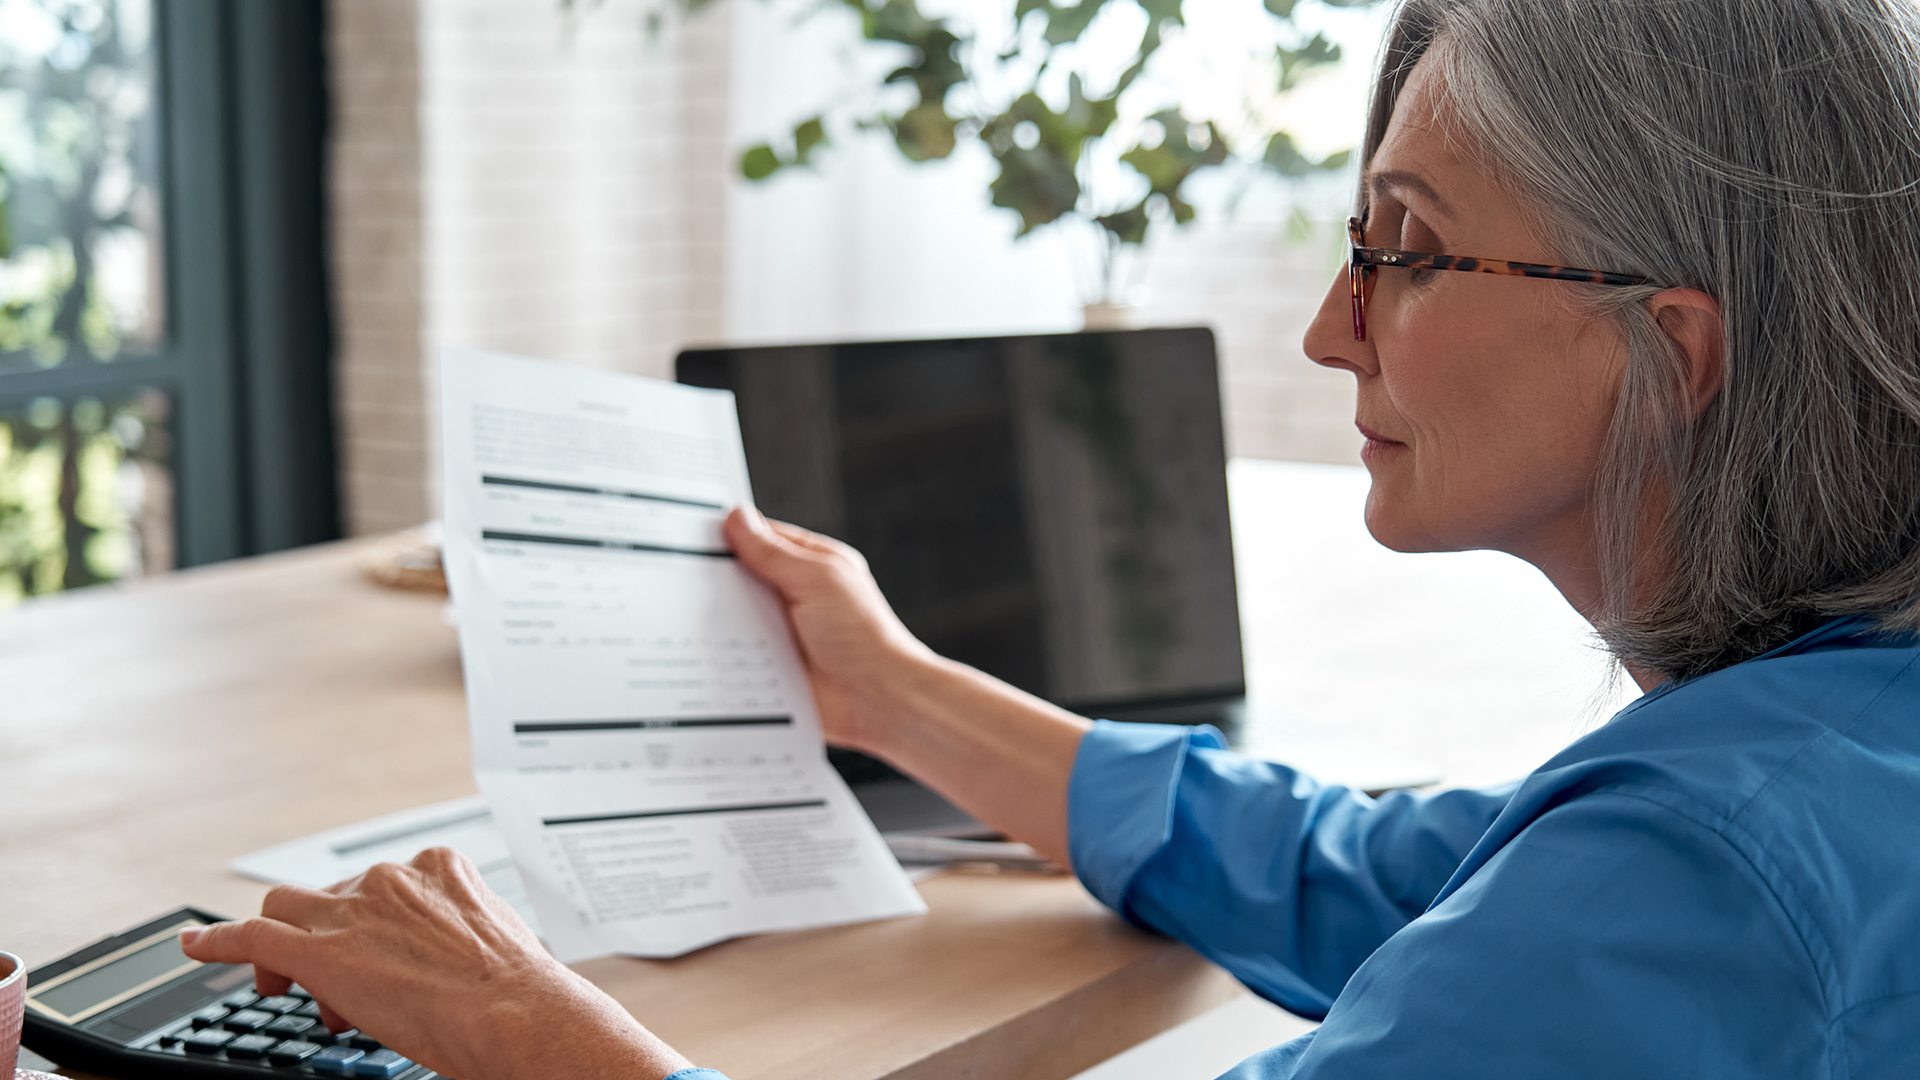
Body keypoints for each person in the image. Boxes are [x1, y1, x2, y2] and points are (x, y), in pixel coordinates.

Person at [181, 0, 1920, 1075]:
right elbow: (1387, 876)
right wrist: (902, 694)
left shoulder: (1712, 878)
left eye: (1407, 244)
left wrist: (527, 1037)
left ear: (1668, 354)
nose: (1332, 326)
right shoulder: (1816, 760)